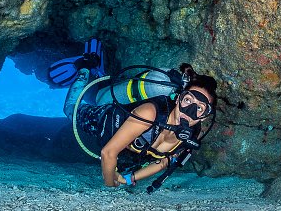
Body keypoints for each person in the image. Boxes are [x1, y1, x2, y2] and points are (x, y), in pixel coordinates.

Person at [49, 39, 217, 188]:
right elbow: (108, 153)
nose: (189, 112)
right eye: (188, 100)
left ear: (204, 116)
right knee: (70, 109)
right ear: (179, 98)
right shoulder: (150, 113)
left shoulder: (193, 132)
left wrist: (128, 179)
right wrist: (110, 186)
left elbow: (162, 163)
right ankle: (85, 68)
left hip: (128, 152)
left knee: (97, 95)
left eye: (199, 108)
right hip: (104, 120)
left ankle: (97, 74)